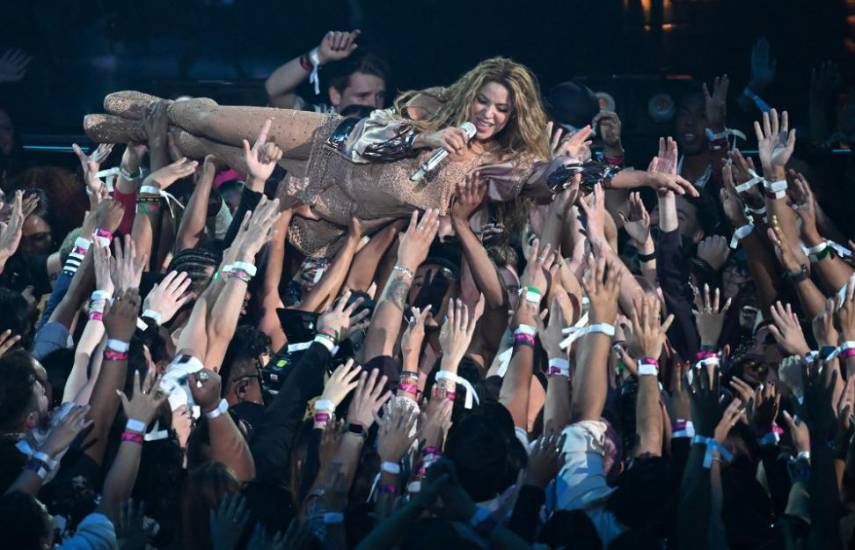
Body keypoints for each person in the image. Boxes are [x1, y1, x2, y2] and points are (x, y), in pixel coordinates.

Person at [83, 57, 585, 256]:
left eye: (503, 109)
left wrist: (638, 180)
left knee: (206, 148)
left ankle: (132, 129)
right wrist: (427, 139)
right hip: (327, 140)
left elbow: (548, 181)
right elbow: (370, 139)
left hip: (328, 201)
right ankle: (153, 108)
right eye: (485, 101)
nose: (490, 114)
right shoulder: (436, 107)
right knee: (210, 121)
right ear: (471, 93)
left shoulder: (498, 166)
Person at [265, 29, 389, 113]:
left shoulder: (387, 128)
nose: (373, 105)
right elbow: (274, 91)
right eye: (362, 96)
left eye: (380, 96)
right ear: (335, 96)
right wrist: (318, 56)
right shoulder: (317, 120)